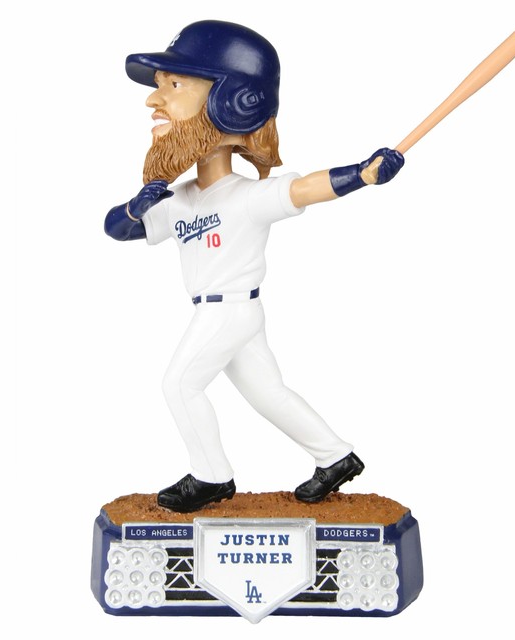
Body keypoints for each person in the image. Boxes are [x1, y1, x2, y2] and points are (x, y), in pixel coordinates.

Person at [105, 20, 404, 513]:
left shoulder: (247, 196)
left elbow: (303, 188)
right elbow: (116, 229)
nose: (154, 101)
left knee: (179, 384)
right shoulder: (177, 200)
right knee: (268, 393)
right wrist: (137, 207)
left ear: (232, 102)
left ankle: (211, 476)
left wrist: (363, 174)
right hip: (230, 313)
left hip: (229, 310)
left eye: (174, 85)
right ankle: (336, 456)